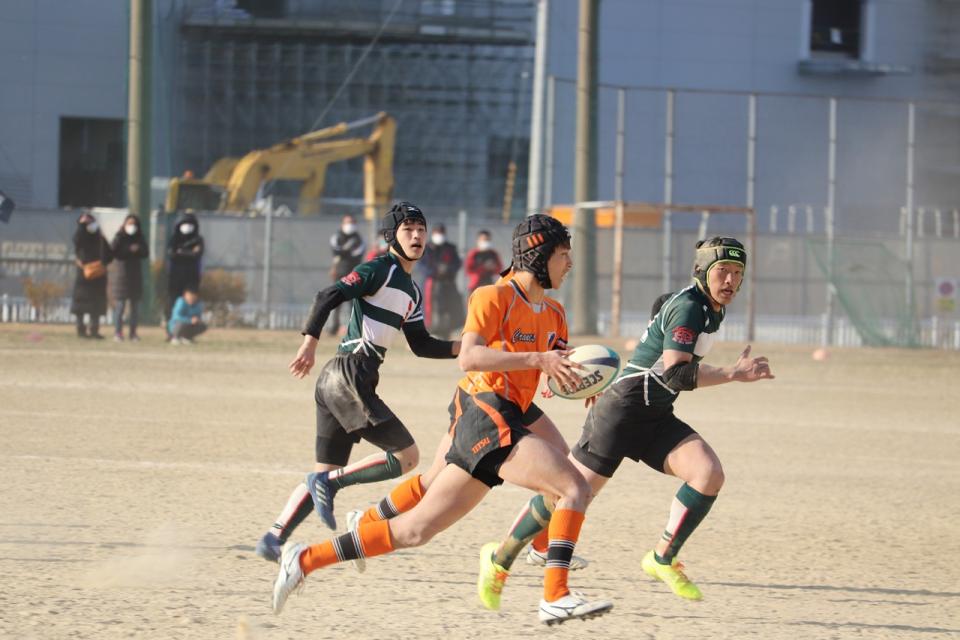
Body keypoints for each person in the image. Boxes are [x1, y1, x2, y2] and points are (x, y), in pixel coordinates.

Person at [271, 214, 613, 625]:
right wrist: (538, 359)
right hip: (486, 411)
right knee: (573, 485)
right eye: (563, 255)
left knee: (415, 531)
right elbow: (469, 357)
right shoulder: (493, 296)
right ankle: (555, 593)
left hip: (510, 411)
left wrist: (583, 380)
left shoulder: (554, 312)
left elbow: (556, 360)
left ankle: (305, 558)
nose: (570, 263)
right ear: (537, 256)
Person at [476, 236, 774, 608]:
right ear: (702, 271)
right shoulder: (690, 307)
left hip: (655, 415)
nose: (729, 280)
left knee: (708, 474)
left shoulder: (708, 306)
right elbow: (676, 373)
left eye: (737, 273)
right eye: (722, 271)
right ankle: (499, 559)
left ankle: (662, 558)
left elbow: (661, 313)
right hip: (621, 412)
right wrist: (733, 373)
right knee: (565, 494)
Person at [254, 202, 459, 563]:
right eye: (408, 229)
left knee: (325, 470)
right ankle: (327, 486)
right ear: (391, 235)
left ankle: (273, 537)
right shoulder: (379, 269)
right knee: (407, 457)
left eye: (421, 229)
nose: (416, 235)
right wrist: (309, 342)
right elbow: (327, 296)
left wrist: (466, 348)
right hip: (349, 374)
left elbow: (422, 345)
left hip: (340, 380)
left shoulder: (413, 292)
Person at [70, 212, 113, 339]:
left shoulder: (100, 237)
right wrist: (82, 225)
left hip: (98, 275)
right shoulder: (80, 237)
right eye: (85, 222)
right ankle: (80, 329)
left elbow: (109, 254)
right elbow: (76, 240)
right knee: (80, 304)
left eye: (90, 221)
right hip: (83, 275)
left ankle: (94, 330)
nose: (88, 224)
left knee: (97, 304)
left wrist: (103, 263)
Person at [419, 222, 464, 337]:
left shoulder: (450, 248)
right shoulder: (426, 248)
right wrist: (436, 271)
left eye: (441, 232)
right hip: (432, 285)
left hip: (447, 284)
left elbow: (457, 263)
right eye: (437, 232)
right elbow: (423, 266)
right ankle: (431, 332)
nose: (440, 235)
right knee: (431, 309)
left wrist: (447, 269)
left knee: (449, 308)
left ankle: (446, 332)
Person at [110, 214, 149, 342]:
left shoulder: (140, 237)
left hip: (135, 276)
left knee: (135, 308)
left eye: (134, 224)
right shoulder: (120, 237)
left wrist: (138, 249)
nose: (132, 226)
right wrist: (128, 249)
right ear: (124, 224)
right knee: (120, 306)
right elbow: (113, 251)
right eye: (129, 223)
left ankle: (133, 333)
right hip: (121, 276)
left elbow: (145, 252)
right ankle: (118, 333)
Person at [166, 213, 204, 339]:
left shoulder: (198, 239)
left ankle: (187, 334)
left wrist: (181, 251)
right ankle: (171, 332)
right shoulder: (174, 239)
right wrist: (190, 252)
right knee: (173, 305)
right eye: (184, 223)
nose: (187, 226)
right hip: (175, 278)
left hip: (191, 278)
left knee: (190, 305)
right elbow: (171, 253)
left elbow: (197, 254)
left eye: (190, 224)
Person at [327, 214, 366, 335]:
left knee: (353, 303)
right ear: (342, 224)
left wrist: (343, 252)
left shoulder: (359, 240)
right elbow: (335, 251)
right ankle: (334, 327)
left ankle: (354, 329)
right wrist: (345, 252)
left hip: (354, 273)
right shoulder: (337, 237)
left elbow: (356, 255)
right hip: (339, 272)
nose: (350, 225)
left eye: (352, 222)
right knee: (336, 301)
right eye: (347, 222)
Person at [464, 229, 503, 294]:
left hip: (489, 284)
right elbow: (468, 269)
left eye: (488, 240)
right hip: (475, 285)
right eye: (483, 240)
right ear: (478, 240)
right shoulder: (473, 254)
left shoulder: (493, 254)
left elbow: (499, 268)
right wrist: (483, 267)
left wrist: (493, 267)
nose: (485, 242)